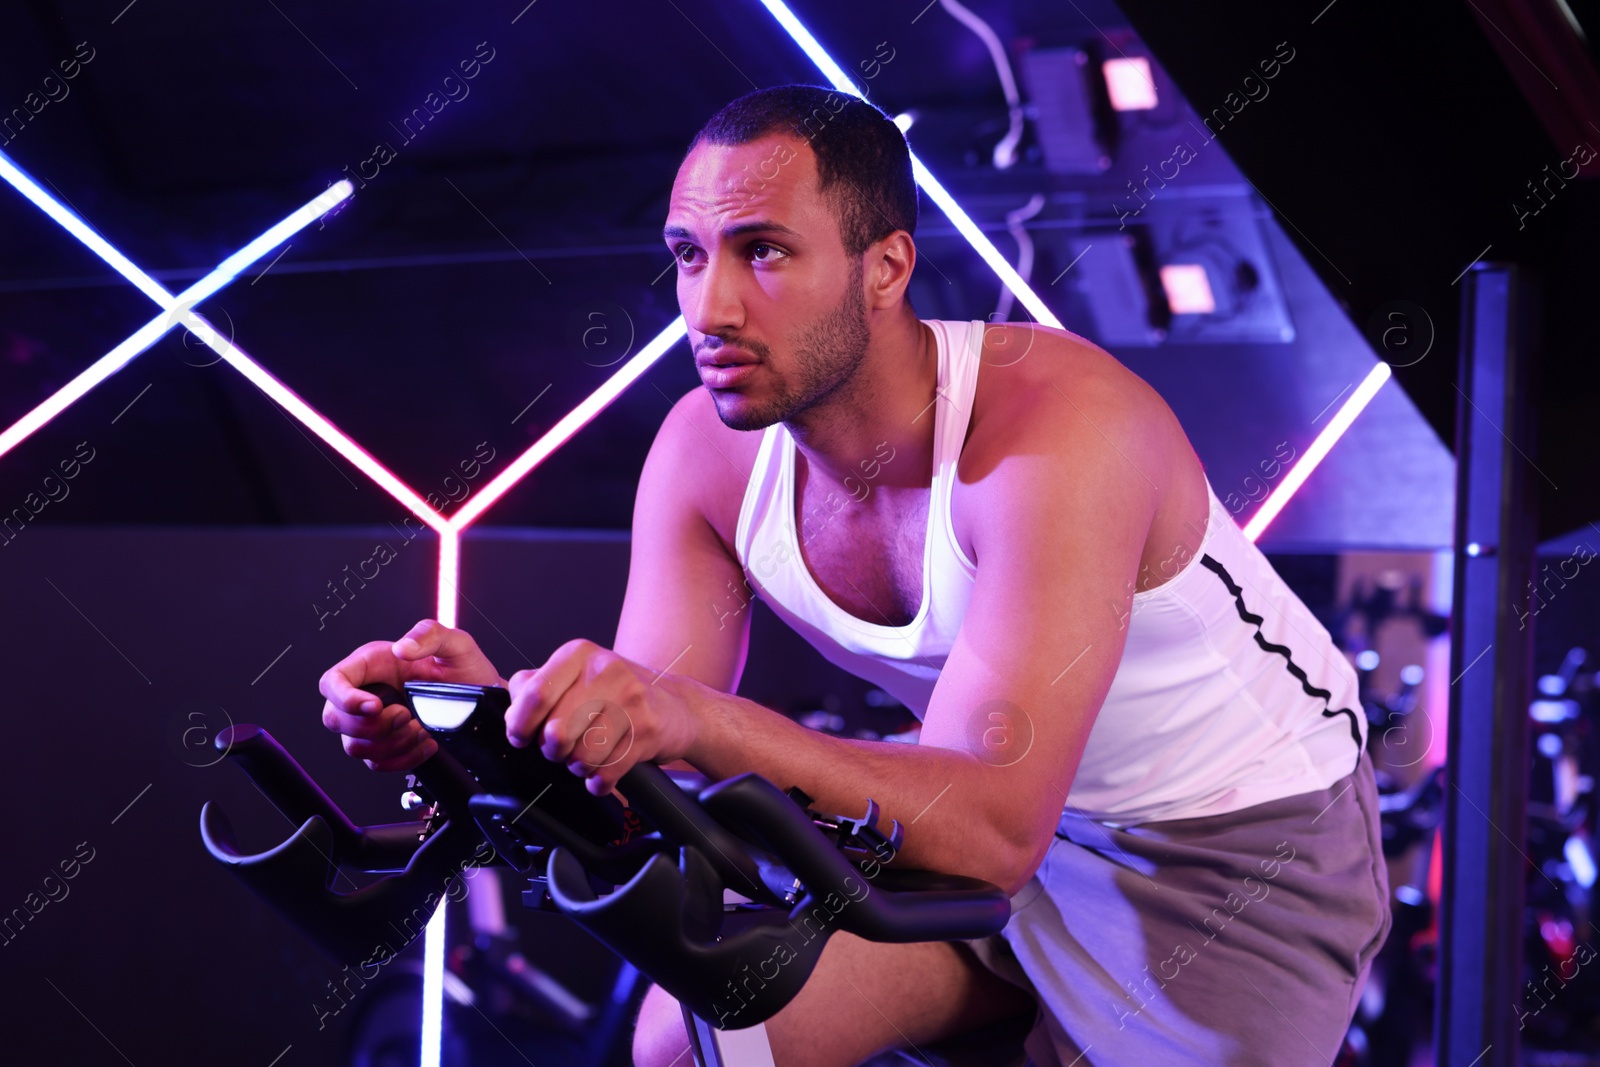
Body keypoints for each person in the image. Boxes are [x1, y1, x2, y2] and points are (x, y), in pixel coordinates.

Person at [319, 84, 1391, 1067]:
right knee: (696, 1036)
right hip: (995, 814)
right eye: (688, 255)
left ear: (885, 266)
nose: (709, 307)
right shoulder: (705, 453)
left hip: (1233, 846)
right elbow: (635, 762)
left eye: (764, 252)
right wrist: (489, 723)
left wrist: (689, 716)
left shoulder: (1057, 429)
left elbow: (991, 832)